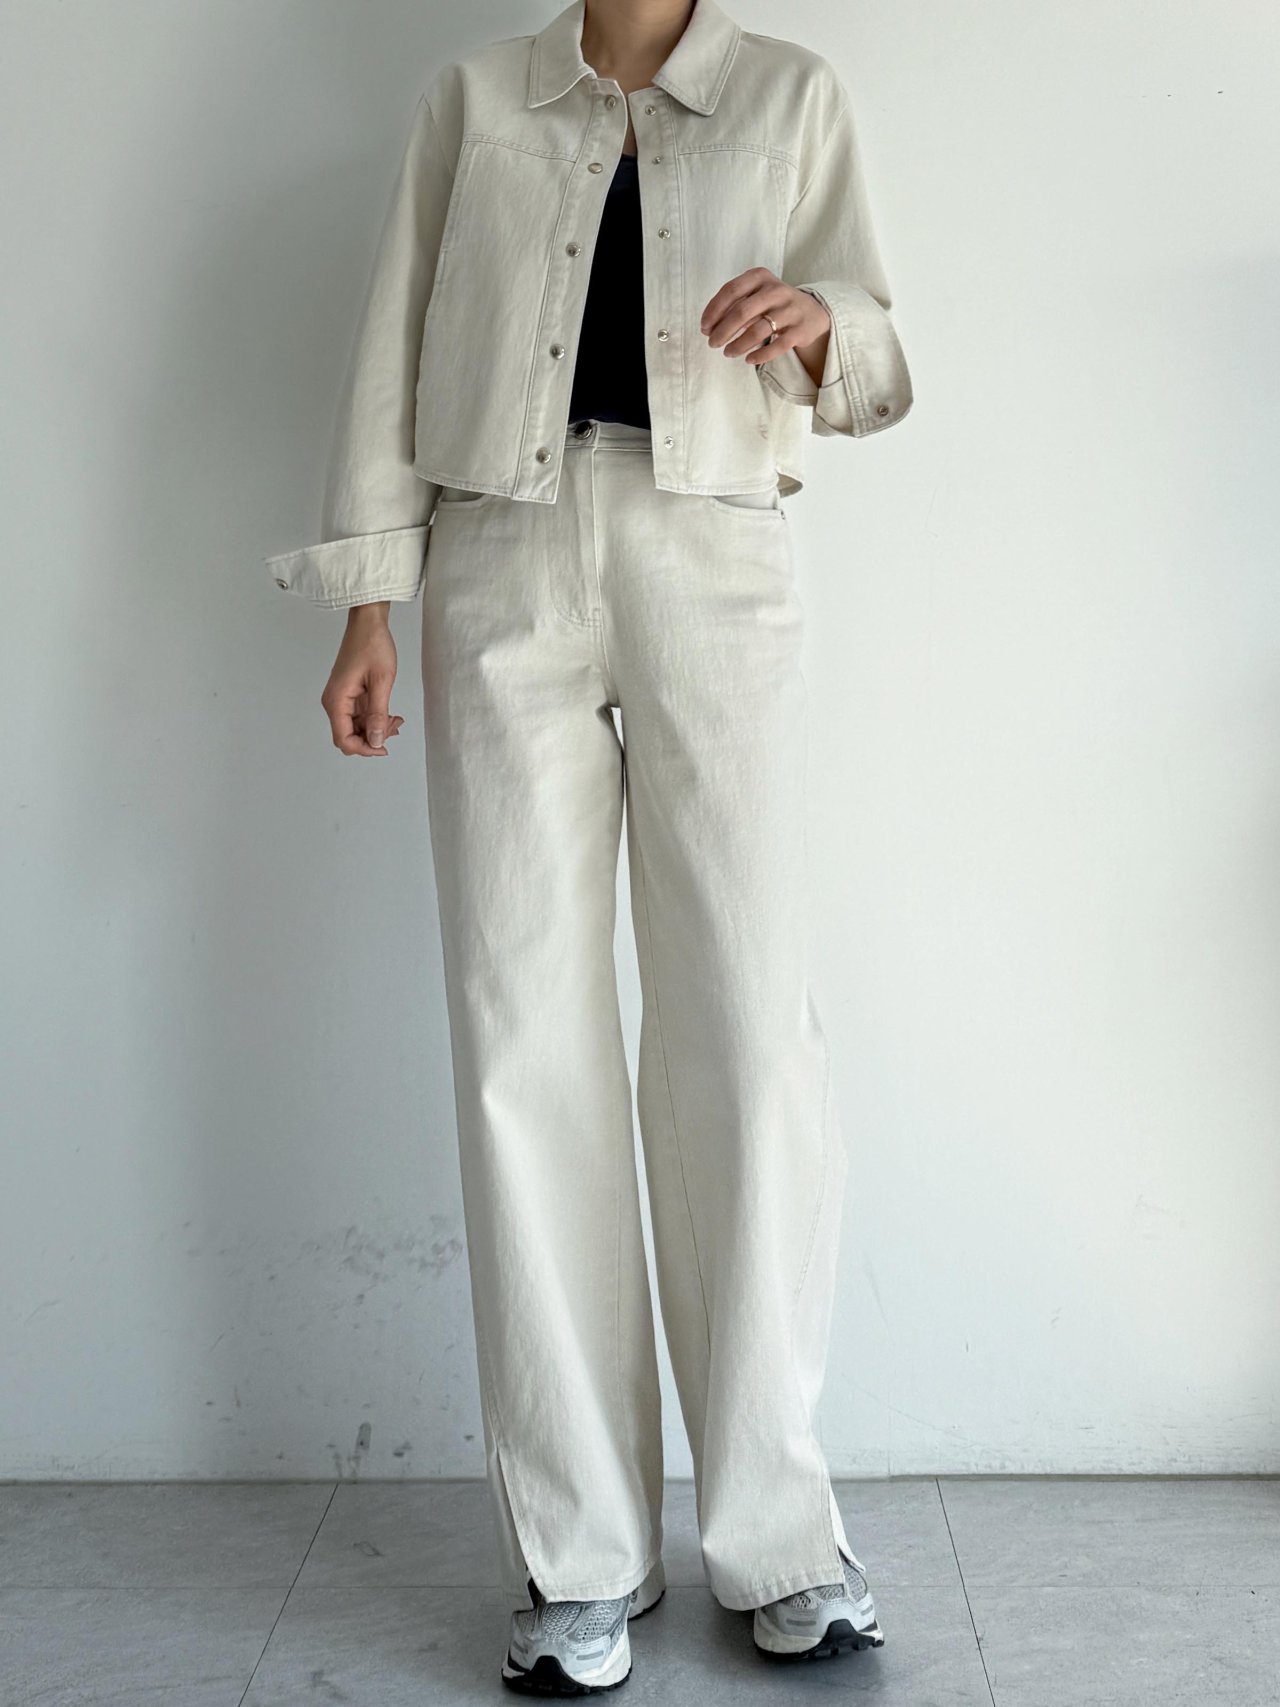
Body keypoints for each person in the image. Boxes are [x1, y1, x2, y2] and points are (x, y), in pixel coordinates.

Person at [264, 0, 912, 1692]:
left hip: (719, 559)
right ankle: (578, 1556)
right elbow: (393, 346)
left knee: (746, 1035)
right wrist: (368, 606)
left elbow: (878, 356)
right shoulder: (473, 98)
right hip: (500, 561)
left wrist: (821, 325)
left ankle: (781, 1533)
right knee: (521, 1039)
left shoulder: (792, 94)